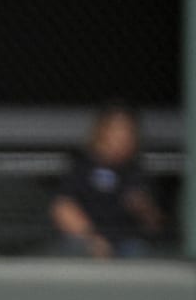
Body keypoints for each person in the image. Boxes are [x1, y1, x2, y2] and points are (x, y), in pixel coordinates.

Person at [49, 102, 165, 258]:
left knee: (140, 253)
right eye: (117, 130)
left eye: (129, 132)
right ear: (102, 132)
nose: (123, 137)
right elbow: (62, 208)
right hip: (86, 241)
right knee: (76, 249)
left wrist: (144, 209)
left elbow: (155, 225)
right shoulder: (82, 166)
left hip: (127, 244)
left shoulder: (137, 171)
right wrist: (92, 239)